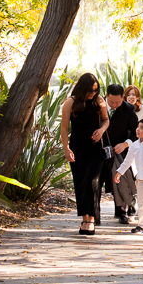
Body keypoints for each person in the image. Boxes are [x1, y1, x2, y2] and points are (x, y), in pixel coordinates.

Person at [60, 73, 109, 235]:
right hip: (77, 148)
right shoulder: (70, 102)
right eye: (90, 90)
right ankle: (84, 218)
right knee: (81, 183)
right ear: (83, 87)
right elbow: (64, 128)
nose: (93, 93)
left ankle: (92, 220)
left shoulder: (99, 101)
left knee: (93, 182)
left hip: (96, 149)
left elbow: (106, 120)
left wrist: (101, 131)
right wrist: (66, 148)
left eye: (96, 90)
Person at [100, 84, 139, 224]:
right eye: (111, 102)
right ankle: (94, 214)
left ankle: (122, 212)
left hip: (120, 150)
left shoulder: (128, 109)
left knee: (122, 180)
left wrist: (126, 144)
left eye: (117, 102)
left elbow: (136, 132)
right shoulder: (98, 107)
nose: (114, 105)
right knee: (97, 181)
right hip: (100, 150)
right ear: (106, 96)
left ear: (123, 98)